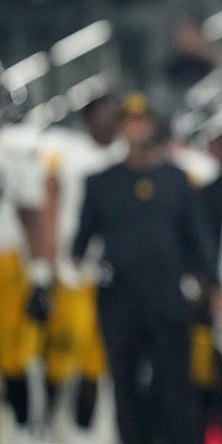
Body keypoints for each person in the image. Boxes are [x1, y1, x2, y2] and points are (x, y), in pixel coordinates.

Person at [72, 93, 219, 444]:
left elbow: (197, 240)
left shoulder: (177, 180)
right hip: (119, 300)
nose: (137, 128)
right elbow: (80, 243)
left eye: (142, 121)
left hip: (168, 297)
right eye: (130, 121)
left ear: (151, 125)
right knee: (125, 387)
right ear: (122, 128)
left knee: (175, 388)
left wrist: (212, 285)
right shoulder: (100, 182)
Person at [35, 92, 126, 441]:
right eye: (103, 112)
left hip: (110, 271)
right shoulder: (66, 153)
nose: (110, 119)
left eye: (114, 113)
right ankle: (42, 424)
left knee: (97, 362)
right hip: (72, 269)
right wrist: (47, 265)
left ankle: (80, 432)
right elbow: (49, 208)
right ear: (87, 117)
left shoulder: (123, 155)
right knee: (62, 353)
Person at [0, 94, 52, 442]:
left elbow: (31, 213)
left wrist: (40, 277)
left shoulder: (14, 144)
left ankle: (25, 433)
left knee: (17, 359)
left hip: (6, 261)